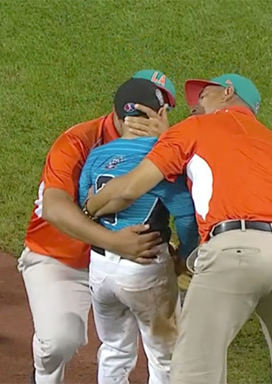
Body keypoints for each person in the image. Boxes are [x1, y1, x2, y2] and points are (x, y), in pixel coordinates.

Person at [84, 73, 272, 384]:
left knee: (194, 364)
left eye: (203, 95)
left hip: (237, 251)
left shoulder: (192, 128)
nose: (194, 105)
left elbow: (128, 190)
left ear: (228, 93)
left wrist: (89, 208)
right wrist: (172, 135)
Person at [20, 70, 176, 384]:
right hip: (61, 258)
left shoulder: (167, 145)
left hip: (125, 263)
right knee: (59, 342)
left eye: (158, 111)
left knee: (126, 346)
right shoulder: (80, 140)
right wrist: (113, 241)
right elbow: (54, 208)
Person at [78, 78, 199, 384]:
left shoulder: (96, 155)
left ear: (117, 117)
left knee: (114, 348)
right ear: (160, 115)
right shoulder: (163, 156)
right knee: (165, 356)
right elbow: (185, 217)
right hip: (146, 272)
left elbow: (85, 206)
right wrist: (184, 256)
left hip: (101, 271)